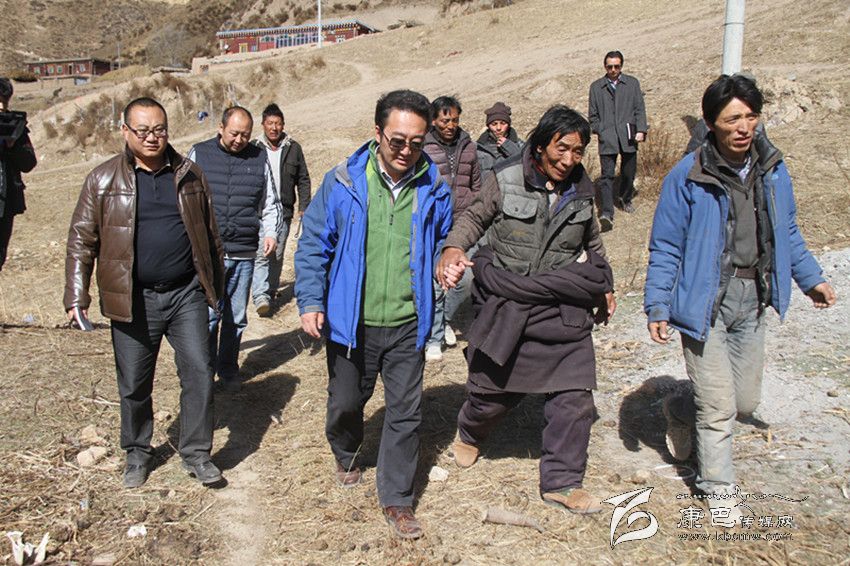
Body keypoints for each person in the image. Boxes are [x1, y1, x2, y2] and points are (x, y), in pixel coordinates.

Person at [644, 75, 837, 521]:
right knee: (718, 407)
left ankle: (679, 408)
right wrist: (657, 304)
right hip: (704, 301)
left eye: (751, 116)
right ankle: (718, 491)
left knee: (744, 402)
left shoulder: (773, 168)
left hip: (753, 296)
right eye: (732, 119)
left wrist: (811, 279)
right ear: (711, 122)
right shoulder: (687, 175)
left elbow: (788, 231)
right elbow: (666, 246)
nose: (743, 127)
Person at [437, 105, 616, 515]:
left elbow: (593, 244)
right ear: (540, 145)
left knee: (575, 396)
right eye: (561, 148)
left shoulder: (582, 191)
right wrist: (453, 248)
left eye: (577, 151)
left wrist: (605, 286)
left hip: (560, 305)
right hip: (509, 302)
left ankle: (562, 481)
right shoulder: (506, 179)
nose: (568, 160)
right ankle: (470, 431)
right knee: (491, 397)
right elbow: (473, 218)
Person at [295, 90, 452, 539]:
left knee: (405, 413)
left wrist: (448, 258)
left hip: (407, 322)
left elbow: (445, 239)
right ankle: (345, 451)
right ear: (378, 132)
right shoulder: (343, 181)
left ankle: (397, 498)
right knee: (346, 403)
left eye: (416, 143)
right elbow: (313, 244)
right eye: (397, 141)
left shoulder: (433, 186)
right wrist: (311, 301)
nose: (406, 151)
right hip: (352, 323)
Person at [64, 97, 225, 488]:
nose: (152, 138)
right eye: (143, 131)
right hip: (133, 299)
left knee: (199, 372)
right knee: (134, 382)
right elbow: (81, 240)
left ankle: (196, 453)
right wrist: (76, 297)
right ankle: (137, 453)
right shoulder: (102, 180)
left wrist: (215, 288)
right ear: (125, 131)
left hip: (185, 293)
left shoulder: (189, 174)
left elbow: (210, 235)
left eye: (159, 130)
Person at [188, 106, 281, 393]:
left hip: (243, 252)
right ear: (220, 128)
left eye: (245, 135)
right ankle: (202, 372)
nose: (240, 140)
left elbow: (270, 202)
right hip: (208, 255)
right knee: (208, 317)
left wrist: (270, 233)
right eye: (234, 133)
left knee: (236, 318)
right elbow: (183, 200)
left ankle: (228, 369)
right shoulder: (199, 154)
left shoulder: (259, 158)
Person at [421, 96, 481, 361]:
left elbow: (477, 185)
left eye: (455, 120)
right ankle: (434, 338)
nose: (450, 125)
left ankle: (446, 318)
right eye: (445, 120)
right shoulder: (424, 147)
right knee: (437, 280)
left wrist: (475, 210)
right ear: (434, 120)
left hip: (465, 224)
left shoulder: (469, 146)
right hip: (435, 224)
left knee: (464, 279)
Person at [250, 103, 311, 316]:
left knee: (276, 253)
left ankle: (270, 290)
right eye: (270, 123)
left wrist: (304, 206)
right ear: (263, 124)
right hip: (259, 209)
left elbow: (303, 179)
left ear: (283, 125)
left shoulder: (293, 148)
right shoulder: (254, 147)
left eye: (277, 123)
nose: (274, 128)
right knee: (261, 252)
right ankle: (260, 295)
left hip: (283, 210)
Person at [588, 50, 648, 230]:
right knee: (606, 176)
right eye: (610, 67)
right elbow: (592, 116)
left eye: (616, 66)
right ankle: (607, 212)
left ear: (621, 66)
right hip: (608, 138)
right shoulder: (596, 87)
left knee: (629, 172)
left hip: (628, 136)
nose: (613, 70)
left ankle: (625, 198)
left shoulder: (632, 83)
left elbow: (639, 109)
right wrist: (601, 130)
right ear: (604, 67)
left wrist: (641, 130)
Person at [0, 77, 37, 271]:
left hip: (5, 203)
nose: (1, 106)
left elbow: (29, 163)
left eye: (4, 101)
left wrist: (13, 146)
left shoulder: (13, 125)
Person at [476, 101, 525, 173]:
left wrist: (510, 147)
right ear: (488, 126)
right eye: (494, 124)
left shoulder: (520, 145)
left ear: (508, 125)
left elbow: (529, 167)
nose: (498, 128)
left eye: (503, 123)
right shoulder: (479, 148)